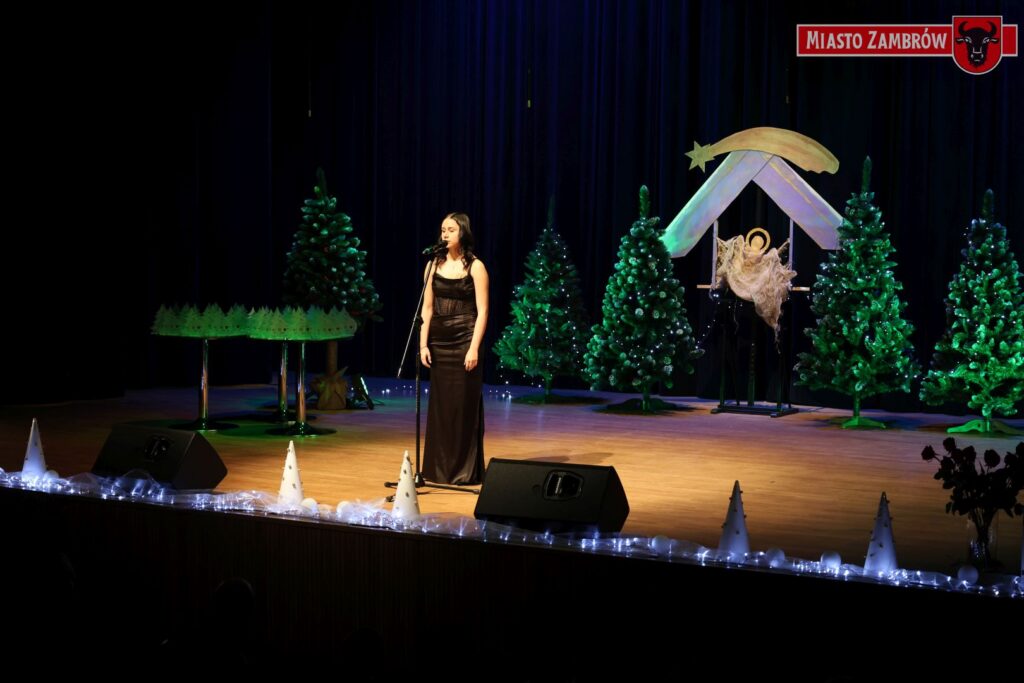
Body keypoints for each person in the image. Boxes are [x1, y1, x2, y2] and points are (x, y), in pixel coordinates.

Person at [419, 212, 489, 485]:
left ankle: (464, 471)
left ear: (463, 233)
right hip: (439, 342)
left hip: (465, 340)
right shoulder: (432, 265)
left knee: (462, 406)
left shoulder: (476, 266)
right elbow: (426, 308)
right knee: (441, 407)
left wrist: (473, 348)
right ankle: (437, 470)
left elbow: (483, 312)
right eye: (442, 229)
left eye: (450, 230)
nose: (445, 234)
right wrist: (423, 344)